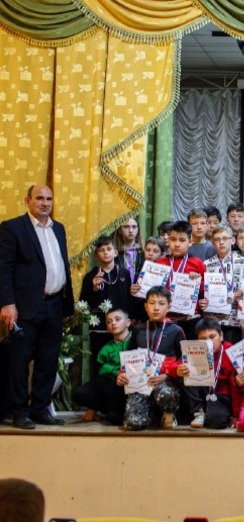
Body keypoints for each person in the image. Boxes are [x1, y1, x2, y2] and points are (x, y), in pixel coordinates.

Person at [0, 184, 75, 429]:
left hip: (54, 304)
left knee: (48, 359)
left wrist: (67, 306)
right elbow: (4, 268)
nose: (45, 203)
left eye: (49, 199)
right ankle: (20, 411)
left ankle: (41, 408)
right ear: (27, 201)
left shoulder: (58, 228)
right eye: (39, 198)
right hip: (24, 307)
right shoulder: (13, 228)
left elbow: (62, 265)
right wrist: (7, 303)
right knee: (19, 361)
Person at [117, 286, 185, 431]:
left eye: (161, 303)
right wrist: (122, 374)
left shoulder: (176, 331)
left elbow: (183, 361)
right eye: (152, 303)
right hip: (141, 383)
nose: (156, 308)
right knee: (133, 424)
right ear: (145, 306)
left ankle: (168, 413)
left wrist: (166, 375)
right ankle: (151, 414)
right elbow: (128, 358)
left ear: (169, 306)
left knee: (166, 395)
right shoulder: (138, 330)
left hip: (164, 382)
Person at [79, 236, 130, 375]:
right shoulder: (90, 277)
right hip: (99, 330)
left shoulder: (124, 273)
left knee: (123, 366)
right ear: (96, 255)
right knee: (100, 366)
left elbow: (129, 299)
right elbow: (84, 305)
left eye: (109, 249)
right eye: (101, 250)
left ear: (115, 252)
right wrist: (94, 290)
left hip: (122, 330)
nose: (106, 252)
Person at [72, 308, 131, 425]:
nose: (113, 323)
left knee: (114, 419)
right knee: (80, 394)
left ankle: (116, 410)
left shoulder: (137, 340)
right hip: (111, 383)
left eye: (117, 319)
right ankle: (105, 408)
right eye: (109, 321)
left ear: (128, 322)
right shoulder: (106, 347)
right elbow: (99, 371)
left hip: (129, 385)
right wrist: (92, 408)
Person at [177, 318, 238, 429]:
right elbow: (176, 366)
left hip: (221, 396)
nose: (208, 342)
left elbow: (235, 388)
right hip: (200, 393)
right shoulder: (193, 350)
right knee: (184, 374)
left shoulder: (232, 352)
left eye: (212, 337)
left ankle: (209, 416)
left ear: (221, 336)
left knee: (217, 421)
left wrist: (236, 415)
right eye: (203, 339)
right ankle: (199, 412)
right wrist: (179, 370)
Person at [156, 220, 206, 328]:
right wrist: (138, 290)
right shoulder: (160, 263)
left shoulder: (197, 263)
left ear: (190, 242)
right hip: (165, 318)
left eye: (182, 240)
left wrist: (196, 283)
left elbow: (206, 292)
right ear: (168, 240)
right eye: (173, 239)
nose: (177, 244)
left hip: (191, 318)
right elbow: (152, 291)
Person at [203, 225, 244, 332]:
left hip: (235, 317)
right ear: (213, 243)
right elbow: (204, 290)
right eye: (217, 239)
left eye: (225, 238)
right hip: (213, 318)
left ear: (233, 240)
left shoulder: (243, 262)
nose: (221, 242)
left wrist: (242, 293)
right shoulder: (206, 264)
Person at [113, 216, 143, 283]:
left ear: (138, 229)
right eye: (126, 227)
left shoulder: (144, 252)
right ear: (120, 230)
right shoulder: (113, 252)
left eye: (134, 227)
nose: (131, 230)